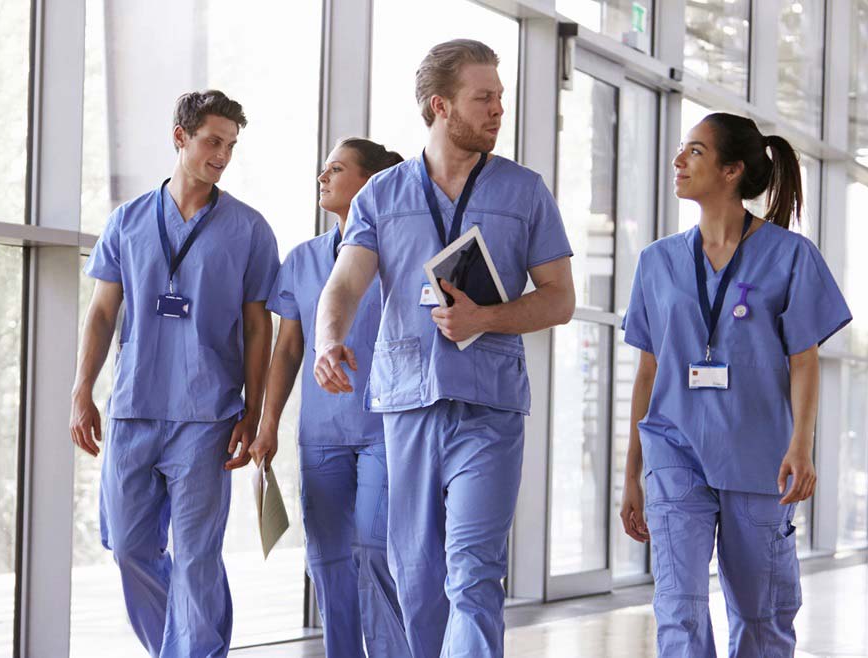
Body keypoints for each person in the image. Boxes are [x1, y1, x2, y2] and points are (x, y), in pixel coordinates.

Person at [312, 39, 575, 658]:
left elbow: (559, 298)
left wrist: (486, 316)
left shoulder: (525, 191)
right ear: (440, 106)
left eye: (500, 98)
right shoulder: (380, 195)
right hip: (408, 404)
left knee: (474, 574)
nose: (497, 110)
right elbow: (344, 284)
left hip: (490, 407)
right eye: (483, 98)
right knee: (417, 579)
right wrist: (329, 339)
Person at [619, 112, 852, 656]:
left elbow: (804, 360)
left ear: (731, 170)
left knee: (761, 615)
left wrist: (801, 446)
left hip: (759, 456)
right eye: (681, 149)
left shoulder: (791, 256)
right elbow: (648, 371)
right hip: (674, 449)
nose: (679, 161)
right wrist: (631, 471)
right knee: (678, 610)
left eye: (694, 152)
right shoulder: (657, 262)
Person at [70, 90, 280, 658]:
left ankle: (197, 651)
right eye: (213, 141)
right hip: (134, 405)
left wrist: (253, 409)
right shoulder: (129, 221)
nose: (222, 155)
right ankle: (177, 649)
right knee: (131, 547)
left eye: (231, 145)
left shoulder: (250, 230)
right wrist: (81, 390)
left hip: (207, 415)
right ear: (180, 136)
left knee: (195, 555)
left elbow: (259, 328)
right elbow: (101, 312)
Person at [249, 138, 410, 658]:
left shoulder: (400, 256)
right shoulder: (301, 260)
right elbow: (287, 348)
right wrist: (267, 424)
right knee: (328, 560)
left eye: (336, 169)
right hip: (320, 436)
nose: (323, 177)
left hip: (385, 429)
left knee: (372, 547)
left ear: (370, 184)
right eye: (323, 168)